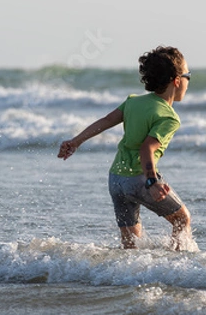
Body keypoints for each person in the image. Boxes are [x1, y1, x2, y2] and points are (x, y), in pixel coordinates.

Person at [57, 46, 193, 250]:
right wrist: (152, 181)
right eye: (187, 75)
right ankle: (175, 269)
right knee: (182, 219)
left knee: (131, 242)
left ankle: (126, 278)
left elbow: (105, 121)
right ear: (176, 80)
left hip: (116, 180)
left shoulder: (133, 102)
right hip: (140, 178)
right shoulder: (169, 117)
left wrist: (75, 141)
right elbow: (146, 149)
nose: (188, 81)